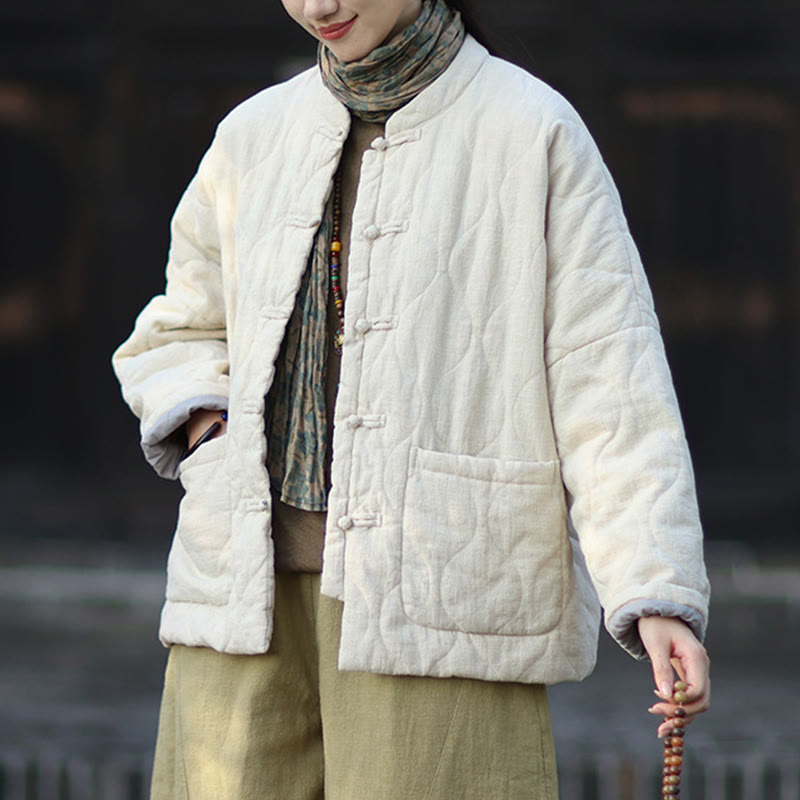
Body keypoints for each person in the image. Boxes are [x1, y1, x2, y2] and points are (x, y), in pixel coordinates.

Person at [113, 1, 711, 797]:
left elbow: (609, 381)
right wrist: (210, 428)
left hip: (443, 596)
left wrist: (655, 591)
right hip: (240, 595)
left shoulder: (530, 129)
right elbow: (178, 329)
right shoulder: (253, 134)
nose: (320, 7)